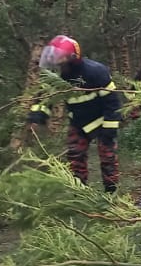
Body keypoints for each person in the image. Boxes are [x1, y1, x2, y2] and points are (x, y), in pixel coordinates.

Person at [27, 35, 123, 193]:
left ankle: (111, 192)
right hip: (78, 122)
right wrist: (38, 114)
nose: (56, 61)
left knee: (108, 158)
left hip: (101, 121)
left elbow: (112, 103)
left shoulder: (96, 71)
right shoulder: (57, 77)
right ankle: (81, 194)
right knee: (75, 157)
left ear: (73, 57)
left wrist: (109, 128)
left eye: (59, 57)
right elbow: (45, 98)